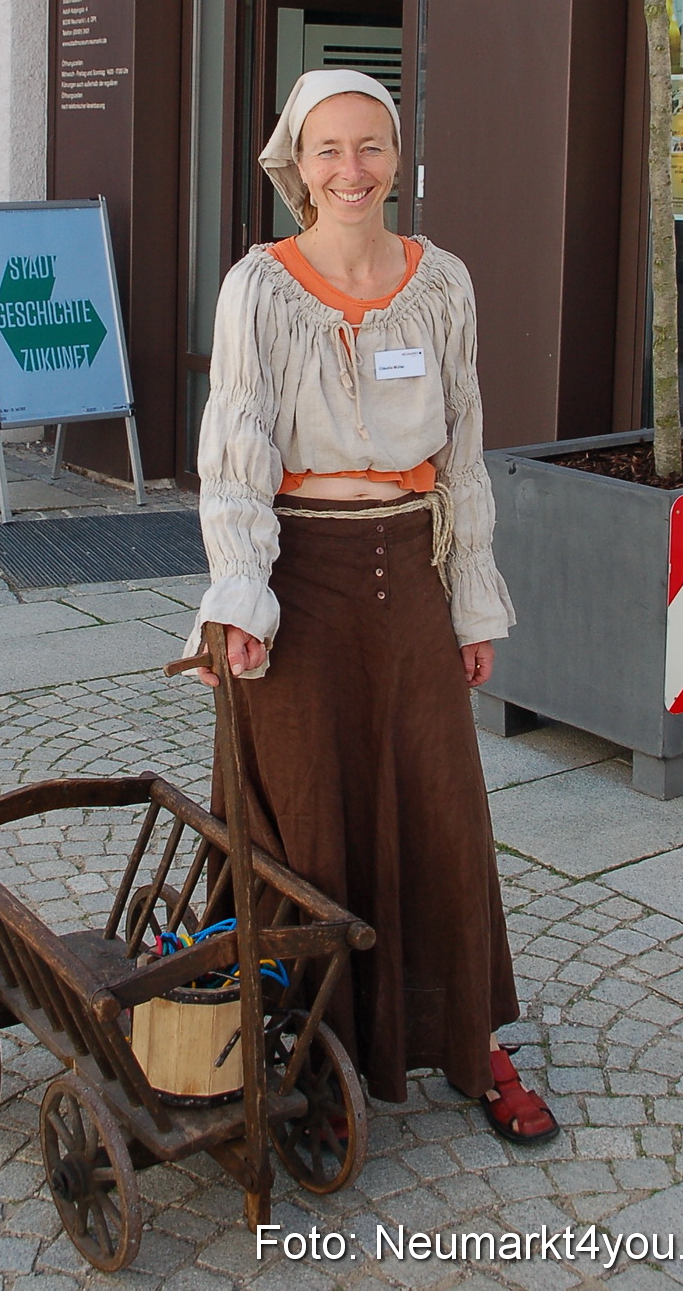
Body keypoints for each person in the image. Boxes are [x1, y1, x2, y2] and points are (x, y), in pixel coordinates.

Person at [186, 69, 557, 1144]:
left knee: (442, 811)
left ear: (397, 158)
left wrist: (472, 606)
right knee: (303, 821)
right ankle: (301, 1052)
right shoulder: (260, 285)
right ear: (294, 166)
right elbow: (236, 454)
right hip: (300, 582)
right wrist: (239, 599)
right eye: (328, 151)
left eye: (371, 147)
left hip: (413, 571)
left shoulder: (441, 281)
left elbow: (466, 448)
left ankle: (464, 1036)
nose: (352, 171)